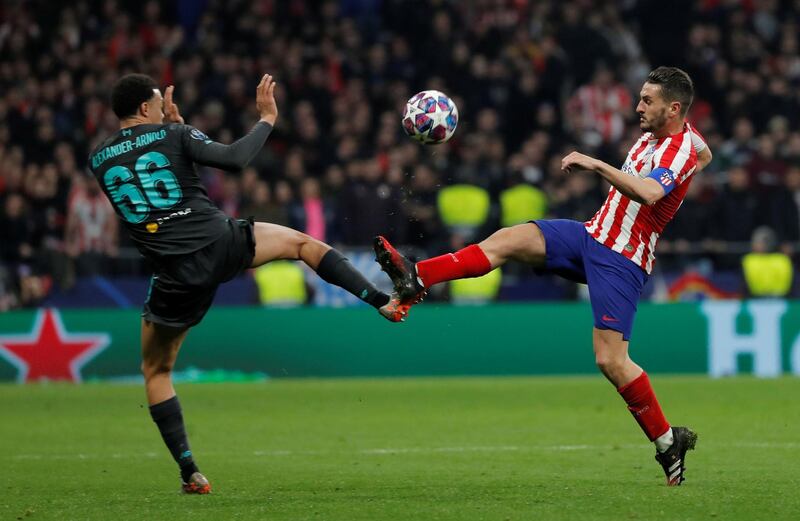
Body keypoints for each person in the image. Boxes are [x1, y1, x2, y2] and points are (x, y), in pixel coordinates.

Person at [374, 67, 712, 486]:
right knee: (508, 240)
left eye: (647, 100)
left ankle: (667, 442)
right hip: (591, 235)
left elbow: (649, 192)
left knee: (610, 360)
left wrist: (594, 163)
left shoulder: (676, 151)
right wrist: (697, 151)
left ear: (673, 107)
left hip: (622, 260)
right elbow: (705, 154)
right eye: (640, 97)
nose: (638, 106)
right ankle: (416, 276)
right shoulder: (673, 139)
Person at [88, 73, 409, 494]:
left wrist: (170, 132)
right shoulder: (174, 134)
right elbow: (235, 158)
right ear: (149, 108)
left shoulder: (99, 158)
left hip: (175, 272)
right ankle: (383, 301)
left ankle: (190, 472)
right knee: (303, 244)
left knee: (156, 371)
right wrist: (266, 119)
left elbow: (149, 176)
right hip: (221, 242)